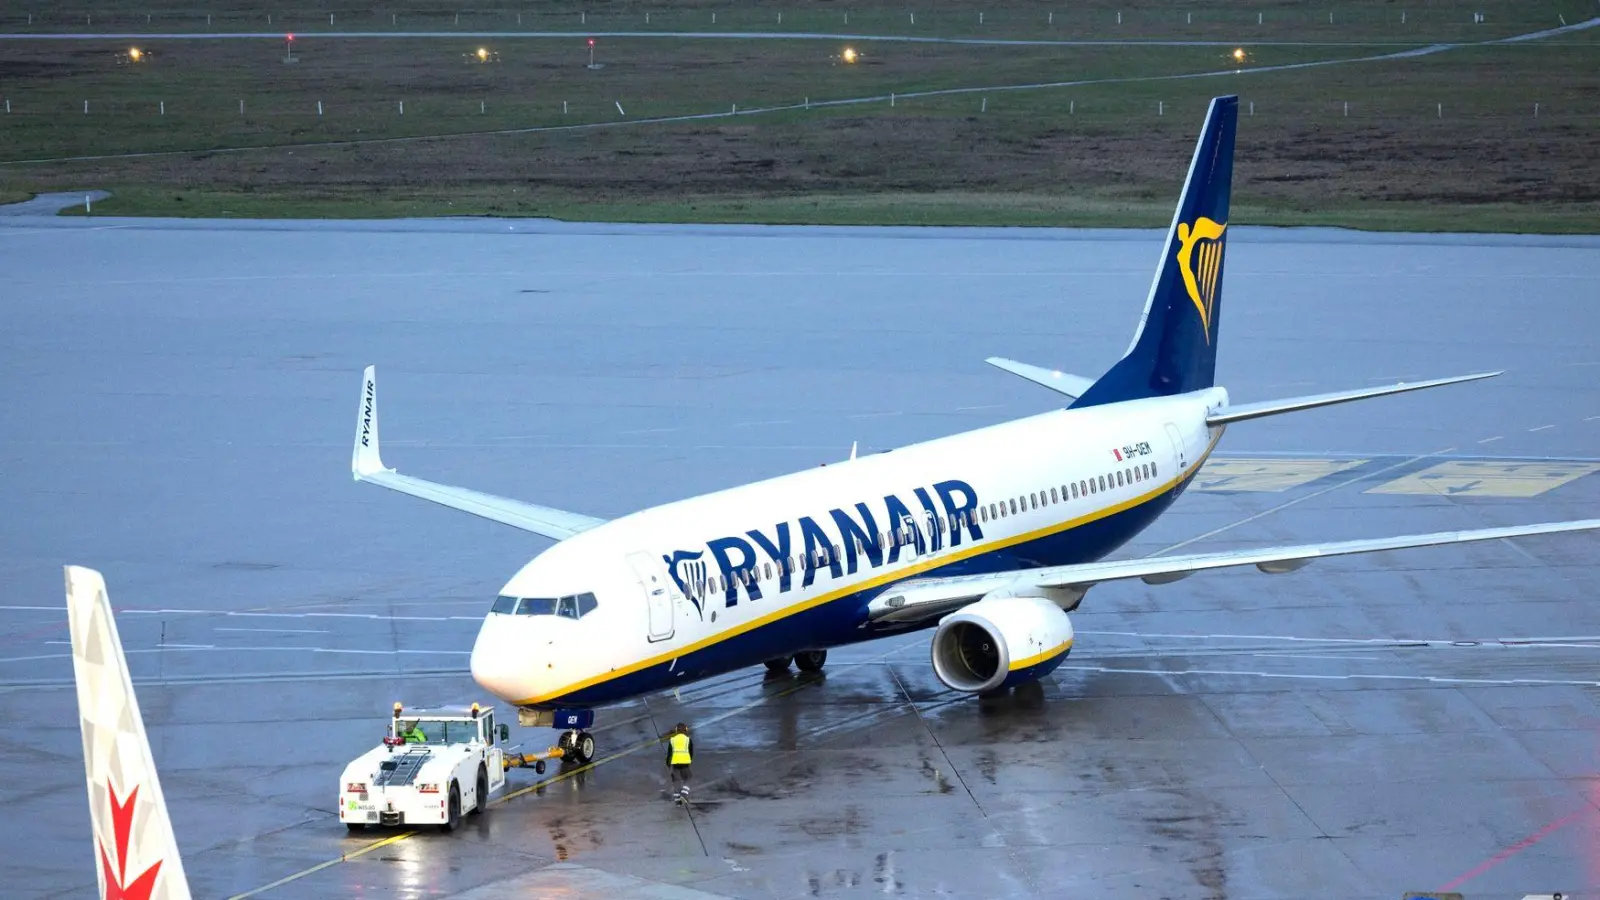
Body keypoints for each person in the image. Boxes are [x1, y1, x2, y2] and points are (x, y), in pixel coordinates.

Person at [666, 722, 693, 802]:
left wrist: (668, 763)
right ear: (685, 730)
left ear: (676, 730)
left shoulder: (672, 740)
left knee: (676, 780)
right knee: (688, 777)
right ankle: (684, 793)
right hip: (685, 762)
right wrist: (689, 760)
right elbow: (691, 752)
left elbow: (669, 753)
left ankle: (677, 800)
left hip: (675, 763)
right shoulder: (688, 739)